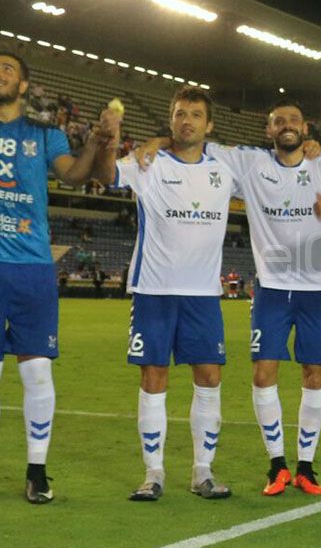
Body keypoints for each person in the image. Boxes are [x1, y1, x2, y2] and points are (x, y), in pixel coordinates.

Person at [0, 0, 118, 504]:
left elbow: (78, 177)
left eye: (6, 69)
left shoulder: (46, 135)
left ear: (22, 85)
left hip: (33, 268)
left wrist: (97, 144)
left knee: (36, 369)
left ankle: (37, 473)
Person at [208, 99, 321, 496]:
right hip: (272, 289)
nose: (287, 126)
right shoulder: (250, 164)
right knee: (263, 372)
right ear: (268, 130)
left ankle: (306, 466)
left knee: (315, 374)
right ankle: (277, 464)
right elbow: (200, 149)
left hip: (319, 289)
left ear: (305, 128)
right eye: (278, 121)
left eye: (294, 119)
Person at [97, 86, 241, 502]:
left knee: (210, 379)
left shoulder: (226, 167)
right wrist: (111, 141)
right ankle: (153, 473)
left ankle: (202, 472)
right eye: (180, 113)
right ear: (171, 118)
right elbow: (107, 176)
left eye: (195, 114)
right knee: (153, 377)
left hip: (202, 295)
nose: (187, 120)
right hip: (154, 290)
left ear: (208, 125)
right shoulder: (149, 162)